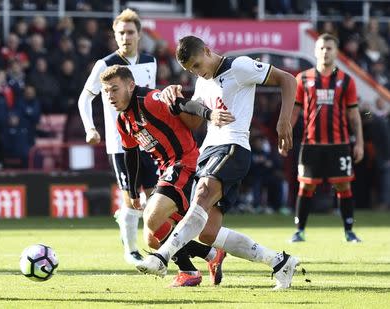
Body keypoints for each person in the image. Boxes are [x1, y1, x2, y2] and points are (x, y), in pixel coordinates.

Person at [136, 35, 299, 290]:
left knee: (200, 195)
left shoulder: (239, 67)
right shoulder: (202, 82)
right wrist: (176, 102)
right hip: (208, 152)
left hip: (233, 147)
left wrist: (284, 119)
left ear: (207, 51)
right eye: (191, 70)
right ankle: (280, 262)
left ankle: (161, 256)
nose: (197, 72)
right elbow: (195, 122)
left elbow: (287, 79)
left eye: (198, 65)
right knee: (208, 233)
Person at [100, 65, 233, 287]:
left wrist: (209, 114)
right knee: (152, 238)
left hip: (186, 162)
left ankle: (188, 271)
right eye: (106, 91)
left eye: (114, 89)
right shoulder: (123, 121)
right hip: (168, 169)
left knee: (152, 218)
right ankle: (211, 254)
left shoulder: (149, 99)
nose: (110, 96)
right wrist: (133, 191)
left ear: (131, 86)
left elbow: (182, 104)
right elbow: (130, 155)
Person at [77, 9, 158, 266]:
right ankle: (131, 249)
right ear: (115, 35)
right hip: (120, 144)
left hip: (149, 142)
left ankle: (161, 247)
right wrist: (90, 128)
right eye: (121, 32)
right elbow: (85, 97)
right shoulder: (105, 64)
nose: (126, 37)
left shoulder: (150, 61)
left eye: (130, 32)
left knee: (157, 199)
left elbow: (150, 101)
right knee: (133, 200)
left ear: (139, 34)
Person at [289, 33, 364, 243]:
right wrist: (284, 135)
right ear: (315, 51)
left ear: (336, 52)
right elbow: (294, 112)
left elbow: (353, 114)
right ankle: (299, 231)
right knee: (306, 186)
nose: (325, 52)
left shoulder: (346, 80)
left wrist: (358, 142)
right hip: (310, 144)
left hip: (339, 145)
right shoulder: (303, 78)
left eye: (329, 48)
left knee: (343, 186)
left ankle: (349, 232)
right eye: (322, 48)